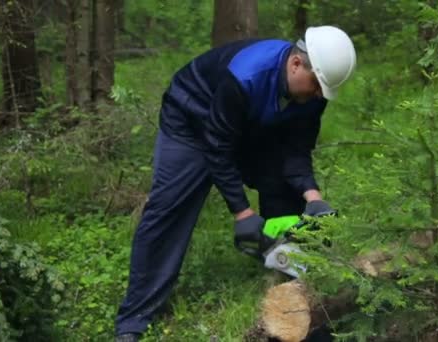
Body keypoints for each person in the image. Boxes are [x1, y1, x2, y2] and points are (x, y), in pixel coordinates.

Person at [115, 25, 357, 341]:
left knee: (284, 185)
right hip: (192, 116)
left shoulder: (314, 92)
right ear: (296, 64)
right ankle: (134, 319)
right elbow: (217, 147)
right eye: (315, 86)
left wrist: (314, 198)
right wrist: (242, 213)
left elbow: (296, 149)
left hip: (249, 120)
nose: (317, 95)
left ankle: (294, 287)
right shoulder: (246, 76)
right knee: (169, 208)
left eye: (323, 91)